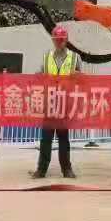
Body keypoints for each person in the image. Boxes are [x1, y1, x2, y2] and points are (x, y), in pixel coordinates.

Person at [31, 25, 80, 179]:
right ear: (53, 40)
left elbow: (81, 80)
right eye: (56, 40)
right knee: (46, 139)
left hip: (65, 104)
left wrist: (77, 77)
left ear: (66, 40)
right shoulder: (47, 57)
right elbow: (39, 74)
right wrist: (37, 76)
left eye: (61, 39)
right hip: (49, 103)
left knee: (63, 139)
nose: (59, 42)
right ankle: (41, 169)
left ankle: (66, 169)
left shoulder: (74, 57)